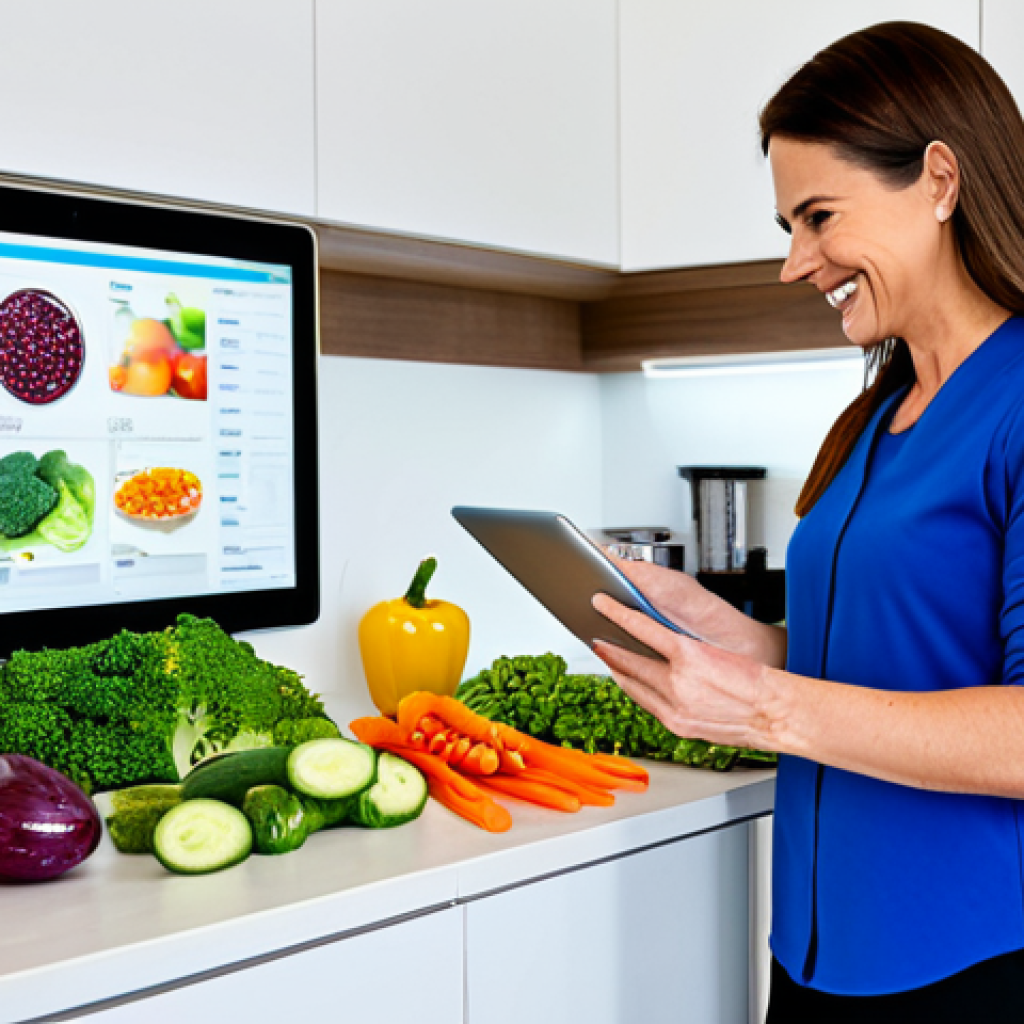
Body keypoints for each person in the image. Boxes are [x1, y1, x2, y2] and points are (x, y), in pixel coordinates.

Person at [590, 21, 1024, 1022]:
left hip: (972, 969)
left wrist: (763, 707)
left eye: (819, 216)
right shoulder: (876, 416)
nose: (796, 263)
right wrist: (737, 641)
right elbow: (891, 659)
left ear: (940, 181)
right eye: (790, 225)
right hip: (814, 958)